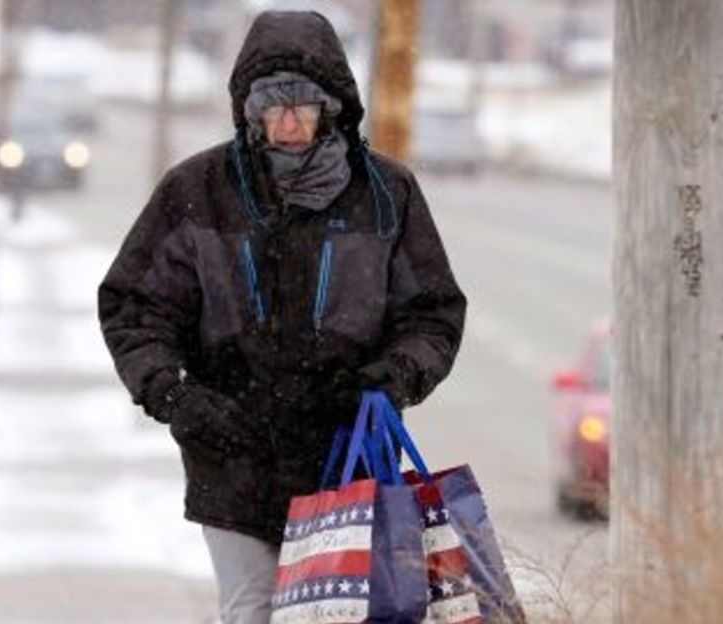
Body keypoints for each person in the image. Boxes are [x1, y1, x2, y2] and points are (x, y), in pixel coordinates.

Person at [97, 10, 466, 623]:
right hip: (231, 452)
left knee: (342, 615)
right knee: (253, 611)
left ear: (333, 108)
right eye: (273, 104)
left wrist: (395, 374)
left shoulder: (384, 195)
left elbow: (433, 312)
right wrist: (174, 395)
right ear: (250, 109)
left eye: (304, 103)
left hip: (345, 454)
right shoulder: (198, 190)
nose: (289, 120)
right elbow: (135, 304)